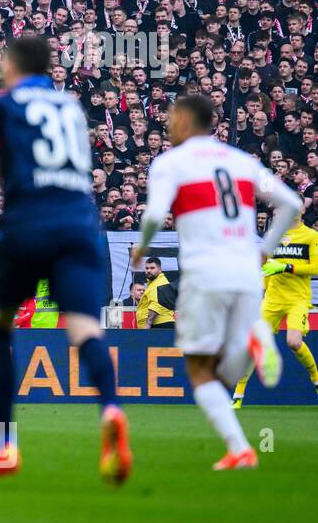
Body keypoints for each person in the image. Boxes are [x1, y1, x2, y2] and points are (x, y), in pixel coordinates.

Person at [0, 36, 131, 483]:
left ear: (13, 67)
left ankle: (5, 444)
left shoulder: (0, 104)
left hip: (28, 224)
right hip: (80, 226)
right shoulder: (71, 107)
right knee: (86, 331)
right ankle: (111, 408)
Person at [130, 95, 300, 470]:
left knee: (199, 368)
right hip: (246, 272)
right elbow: (292, 204)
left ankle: (240, 438)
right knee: (224, 371)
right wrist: (265, 251)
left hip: (205, 273)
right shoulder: (241, 161)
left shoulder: (170, 163)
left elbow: (156, 213)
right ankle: (240, 447)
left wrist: (141, 248)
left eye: (173, 119)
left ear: (187, 123)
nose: (168, 126)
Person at [234, 215, 318, 407]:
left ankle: (315, 378)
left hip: (298, 298)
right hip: (273, 298)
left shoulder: (311, 235)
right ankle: (238, 395)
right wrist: (263, 292)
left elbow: (316, 267)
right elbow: (267, 267)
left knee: (294, 342)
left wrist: (287, 267)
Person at [136, 257, 176, 329]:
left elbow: (157, 304)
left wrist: (148, 324)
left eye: (152, 268)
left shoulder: (159, 283)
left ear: (160, 270)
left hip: (159, 324)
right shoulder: (153, 283)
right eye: (147, 268)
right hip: (159, 324)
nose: (149, 270)